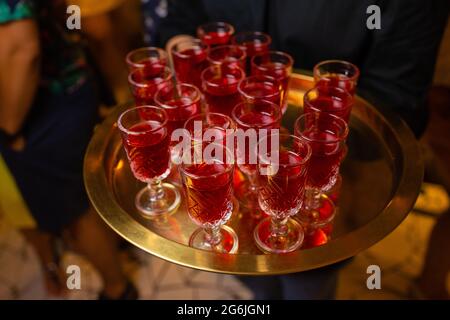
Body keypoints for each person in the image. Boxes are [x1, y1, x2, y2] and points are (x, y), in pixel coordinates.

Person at [155, 0, 450, 299]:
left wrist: (305, 141)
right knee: (255, 280)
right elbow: (179, 14)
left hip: (346, 184)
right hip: (234, 172)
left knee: (308, 283)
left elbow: (399, 95)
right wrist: (183, 49)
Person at [0, 0, 137, 299]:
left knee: (73, 212)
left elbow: (23, 49)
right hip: (65, 84)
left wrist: (10, 126)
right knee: (73, 194)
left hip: (41, 106)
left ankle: (118, 289)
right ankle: (111, 251)